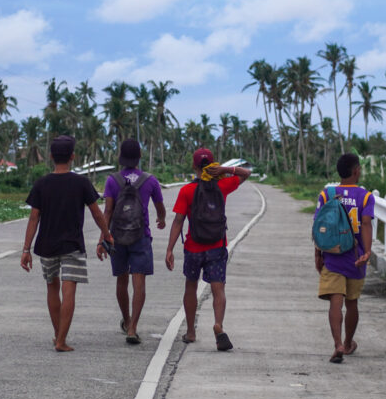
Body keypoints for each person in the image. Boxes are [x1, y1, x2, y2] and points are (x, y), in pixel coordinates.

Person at [20, 135, 113, 352]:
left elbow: (34, 218)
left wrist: (26, 249)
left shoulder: (41, 184)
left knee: (52, 288)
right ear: (73, 156)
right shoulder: (81, 182)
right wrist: (106, 234)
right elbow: (97, 213)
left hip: (46, 245)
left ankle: (57, 335)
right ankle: (61, 340)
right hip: (72, 245)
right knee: (69, 290)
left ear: (51, 156)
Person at [165, 148, 251, 351]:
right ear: (213, 164)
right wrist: (225, 169)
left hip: (193, 247)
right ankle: (218, 324)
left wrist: (170, 249)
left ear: (194, 166)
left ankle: (191, 332)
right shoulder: (223, 185)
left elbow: (178, 221)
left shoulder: (186, 190)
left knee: (190, 286)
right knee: (218, 288)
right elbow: (246, 173)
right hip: (216, 246)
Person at [97, 139, 167, 345]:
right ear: (139, 156)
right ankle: (133, 328)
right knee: (139, 282)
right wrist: (161, 219)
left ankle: (126, 320)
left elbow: (107, 212)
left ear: (121, 157)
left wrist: (103, 239)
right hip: (141, 236)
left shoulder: (112, 180)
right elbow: (160, 207)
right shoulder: (150, 180)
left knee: (121, 279)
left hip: (117, 237)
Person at [314, 152, 373, 363]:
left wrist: (318, 254)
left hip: (332, 256)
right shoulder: (365, 196)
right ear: (356, 171)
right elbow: (366, 224)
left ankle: (337, 343)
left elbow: (319, 226)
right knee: (352, 303)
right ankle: (348, 343)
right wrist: (366, 252)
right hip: (355, 258)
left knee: (335, 304)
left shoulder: (327, 194)